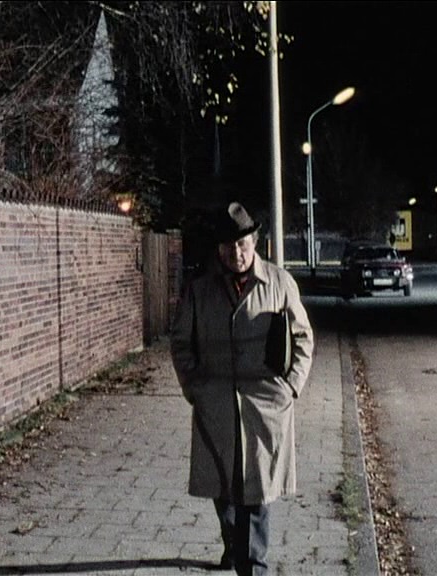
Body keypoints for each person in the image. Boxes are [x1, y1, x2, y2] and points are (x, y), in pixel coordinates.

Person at [170, 202, 315, 575]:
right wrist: (193, 387)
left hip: (264, 404)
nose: (237, 253)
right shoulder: (200, 291)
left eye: (243, 244)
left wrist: (291, 387)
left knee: (258, 491)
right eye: (229, 246)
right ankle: (235, 547)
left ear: (255, 242)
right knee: (224, 490)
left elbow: (303, 338)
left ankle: (253, 565)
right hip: (216, 404)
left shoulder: (279, 283)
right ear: (219, 249)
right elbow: (181, 343)